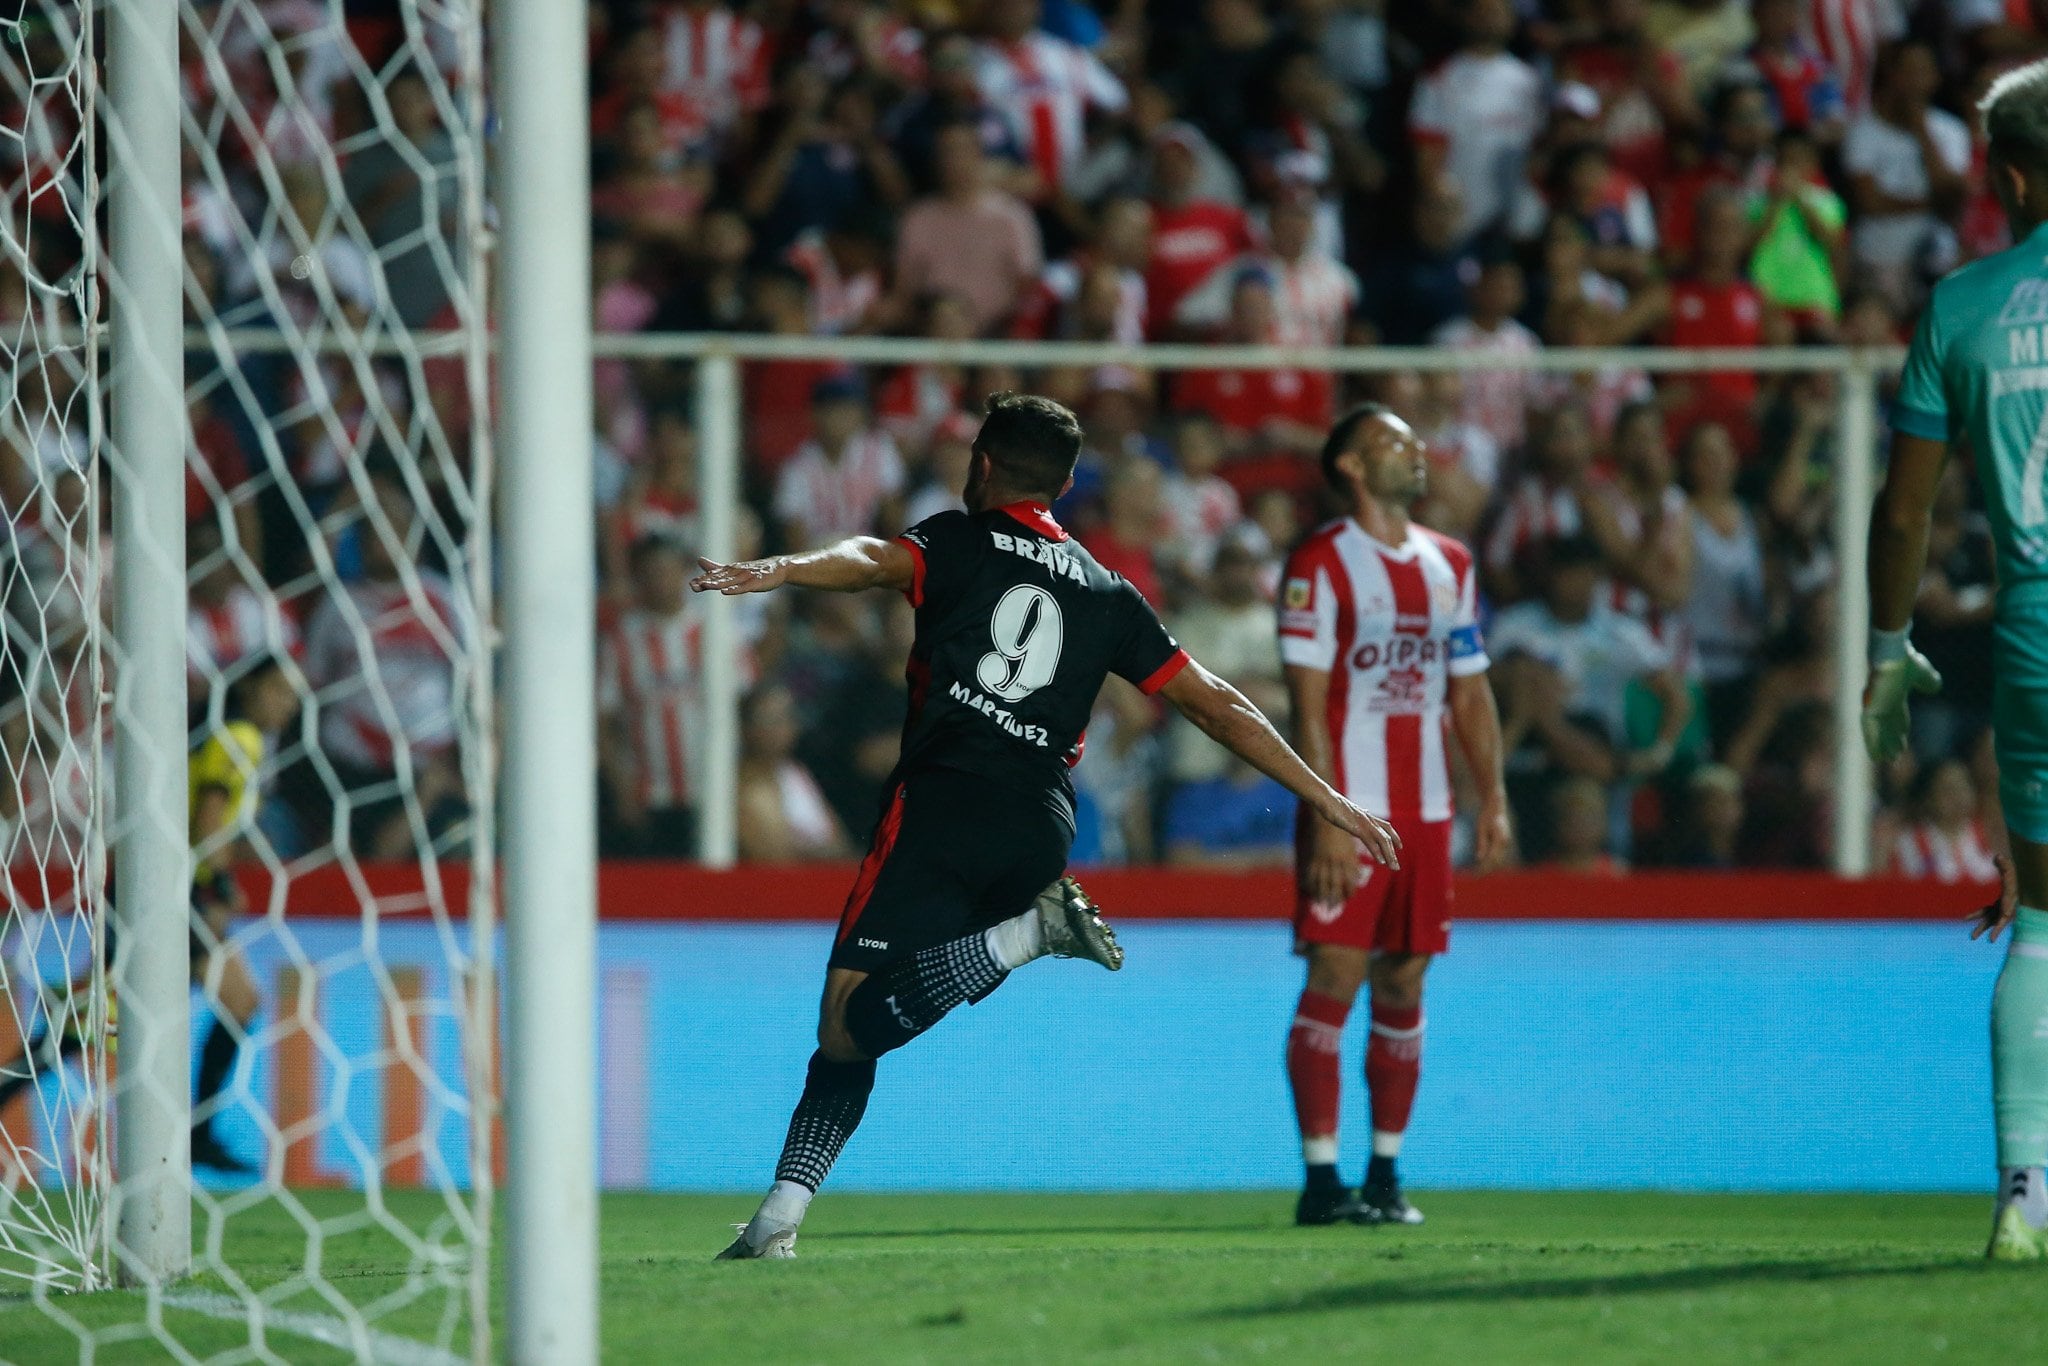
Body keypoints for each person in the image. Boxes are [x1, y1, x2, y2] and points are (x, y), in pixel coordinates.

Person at [696, 392, 1399, 1259]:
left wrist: (775, 569)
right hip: (1040, 828)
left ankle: (1028, 936)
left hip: (944, 802)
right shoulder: (1110, 593)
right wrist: (1326, 794)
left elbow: (870, 558)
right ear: (1065, 486)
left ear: (982, 466)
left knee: (846, 1023)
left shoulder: (953, 540)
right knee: (873, 1016)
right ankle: (776, 1223)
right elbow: (1213, 703)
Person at [1861, 57, 2048, 1260]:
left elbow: (1899, 512)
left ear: (2009, 176)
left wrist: (1890, 651)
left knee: (2037, 925)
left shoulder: (1963, 305)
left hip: (2030, 633)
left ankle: (2023, 1196)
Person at [1278, 402, 1512, 1228]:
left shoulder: (1450, 560)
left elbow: (1471, 690)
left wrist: (1494, 798)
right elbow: (1307, 705)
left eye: (1415, 443)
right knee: (1336, 974)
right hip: (1353, 802)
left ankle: (1384, 1173)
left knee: (1406, 980)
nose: (1414, 455)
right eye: (1391, 444)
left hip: (1430, 809)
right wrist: (1331, 817)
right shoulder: (1320, 563)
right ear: (1348, 465)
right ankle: (1318, 1180)